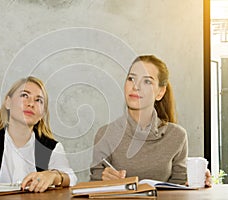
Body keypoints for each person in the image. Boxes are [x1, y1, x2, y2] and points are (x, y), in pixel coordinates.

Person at [90, 55, 211, 186]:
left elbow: (179, 189)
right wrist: (104, 181)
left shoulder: (177, 136)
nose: (135, 86)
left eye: (147, 81)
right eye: (131, 79)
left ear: (160, 92)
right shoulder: (106, 134)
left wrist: (197, 182)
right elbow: (91, 189)